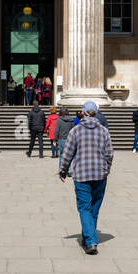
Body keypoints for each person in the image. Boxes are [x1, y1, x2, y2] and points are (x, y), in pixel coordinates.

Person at [58, 101, 115, 255]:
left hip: (82, 174)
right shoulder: (104, 131)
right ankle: (88, 235)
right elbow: (109, 154)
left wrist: (63, 170)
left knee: (84, 207)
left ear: (83, 112)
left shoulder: (76, 131)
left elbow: (67, 153)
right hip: (100, 174)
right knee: (94, 207)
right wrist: (106, 169)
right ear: (96, 113)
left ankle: (90, 240)